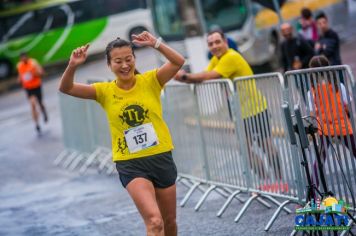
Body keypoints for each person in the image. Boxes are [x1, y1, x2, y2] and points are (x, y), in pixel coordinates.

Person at [59, 32, 184, 236]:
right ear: (109, 64)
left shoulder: (151, 80)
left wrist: (156, 44)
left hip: (161, 157)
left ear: (134, 59)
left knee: (169, 222)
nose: (125, 65)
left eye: (128, 59)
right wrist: (73, 65)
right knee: (154, 222)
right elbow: (67, 88)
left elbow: (178, 62)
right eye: (118, 61)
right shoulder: (104, 91)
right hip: (131, 163)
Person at [175, 30, 284, 192]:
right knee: (244, 150)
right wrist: (187, 77)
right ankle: (267, 183)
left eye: (217, 42)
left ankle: (281, 182)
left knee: (266, 146)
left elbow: (209, 76)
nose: (214, 46)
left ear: (225, 42)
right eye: (211, 43)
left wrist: (184, 77)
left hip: (256, 109)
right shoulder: (216, 59)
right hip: (239, 113)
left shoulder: (231, 57)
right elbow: (205, 74)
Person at [307, 55, 356, 186]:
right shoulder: (339, 86)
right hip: (343, 126)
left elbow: (312, 113)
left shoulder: (311, 91)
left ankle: (312, 194)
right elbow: (349, 106)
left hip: (325, 128)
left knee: (319, 161)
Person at [17, 52, 48, 133]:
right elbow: (20, 77)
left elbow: (42, 73)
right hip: (28, 89)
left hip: (37, 86)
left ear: (27, 57)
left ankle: (44, 112)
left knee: (40, 103)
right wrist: (19, 80)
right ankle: (37, 124)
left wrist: (35, 73)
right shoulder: (19, 66)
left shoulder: (33, 63)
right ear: (20, 59)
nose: (23, 59)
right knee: (33, 105)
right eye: (22, 58)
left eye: (25, 57)